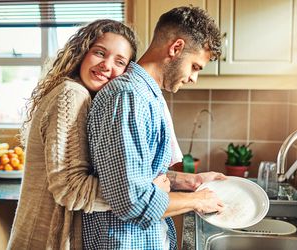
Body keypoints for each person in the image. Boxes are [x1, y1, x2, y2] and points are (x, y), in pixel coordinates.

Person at [84, 6, 224, 249]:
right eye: (195, 66)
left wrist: (191, 181)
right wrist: (197, 201)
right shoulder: (127, 98)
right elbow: (133, 202)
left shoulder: (146, 95)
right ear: (176, 48)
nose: (194, 78)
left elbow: (138, 175)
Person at [7, 19, 144, 250]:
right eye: (100, 53)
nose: (106, 65)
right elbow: (71, 189)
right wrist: (139, 194)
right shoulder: (72, 94)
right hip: (42, 242)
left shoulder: (82, 95)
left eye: (119, 61)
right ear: (82, 51)